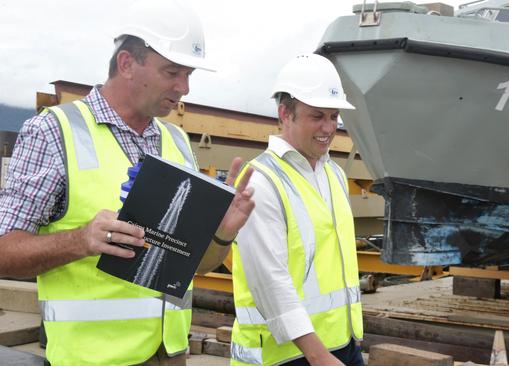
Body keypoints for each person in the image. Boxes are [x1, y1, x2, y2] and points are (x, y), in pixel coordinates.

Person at [0, 0, 255, 365]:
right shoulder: (53, 131)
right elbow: (4, 250)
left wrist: (222, 231)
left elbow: (195, 265)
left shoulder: (177, 142)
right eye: (172, 72)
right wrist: (80, 240)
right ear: (127, 64)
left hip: (170, 355)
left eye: (189, 75)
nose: (184, 87)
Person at [230, 54, 363, 366]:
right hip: (284, 355)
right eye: (317, 116)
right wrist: (318, 355)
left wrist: (351, 331)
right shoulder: (261, 180)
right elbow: (269, 279)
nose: (328, 128)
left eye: (334, 116)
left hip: (338, 343)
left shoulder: (334, 175)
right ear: (284, 113)